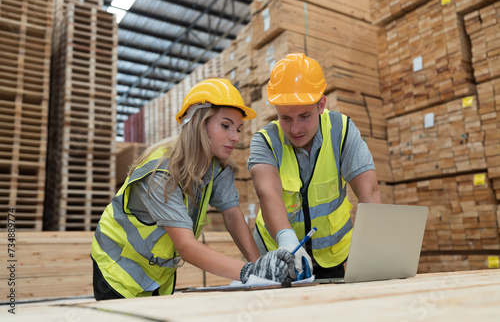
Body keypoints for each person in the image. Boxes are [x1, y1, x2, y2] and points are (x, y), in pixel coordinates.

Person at [91, 78, 295, 300]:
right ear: (198, 122)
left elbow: (233, 215)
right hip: (117, 269)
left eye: (237, 128)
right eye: (225, 126)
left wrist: (261, 267)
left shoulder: (217, 168)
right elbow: (186, 246)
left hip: (159, 273)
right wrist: (251, 273)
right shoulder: (160, 173)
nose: (235, 137)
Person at [248, 53, 381, 280]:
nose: (294, 129)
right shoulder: (265, 141)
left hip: (331, 257)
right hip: (278, 255)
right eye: (285, 118)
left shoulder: (342, 131)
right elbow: (267, 192)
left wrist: (374, 251)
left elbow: (369, 192)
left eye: (304, 116)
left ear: (321, 104)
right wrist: (287, 240)